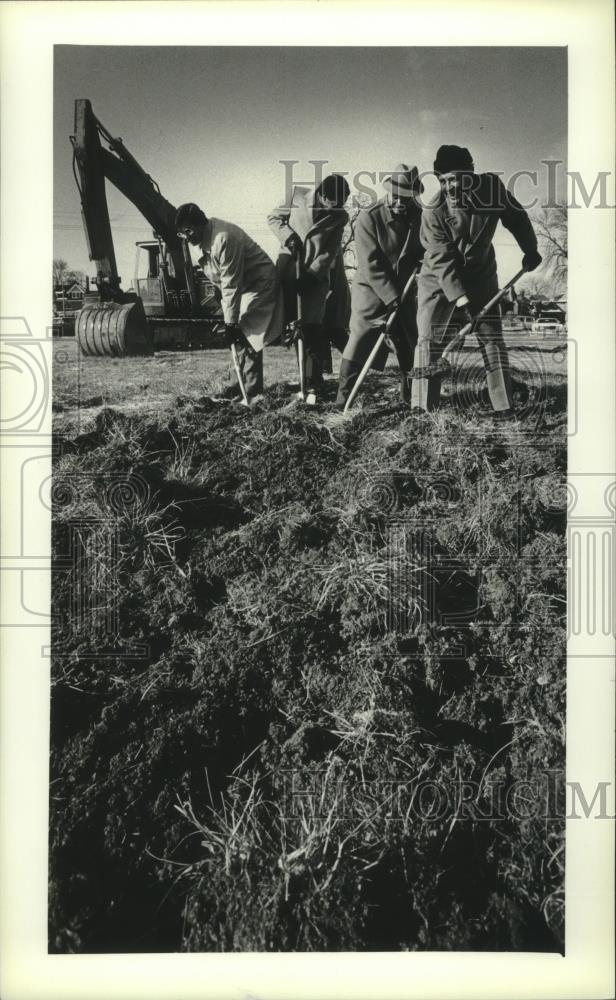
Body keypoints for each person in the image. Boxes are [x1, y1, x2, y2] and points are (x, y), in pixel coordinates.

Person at [413, 145, 542, 417]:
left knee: (491, 337)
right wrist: (461, 300)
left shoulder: (492, 189)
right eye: (443, 180)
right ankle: (423, 410)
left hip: (481, 275)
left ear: (470, 174)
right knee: (429, 340)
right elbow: (441, 260)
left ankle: (503, 406)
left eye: (453, 179)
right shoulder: (433, 211)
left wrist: (530, 249)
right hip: (439, 280)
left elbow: (516, 218)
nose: (448, 187)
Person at [335, 163, 424, 408]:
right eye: (396, 196)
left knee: (409, 342)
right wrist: (390, 296)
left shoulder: (420, 215)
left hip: (405, 290)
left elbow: (426, 247)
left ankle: (412, 398)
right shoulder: (369, 217)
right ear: (388, 191)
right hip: (371, 289)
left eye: (406, 198)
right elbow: (370, 262)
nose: (400, 202)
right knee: (360, 339)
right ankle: (343, 399)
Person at [175, 203, 283, 401]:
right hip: (237, 287)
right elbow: (217, 275)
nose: (186, 236)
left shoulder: (224, 237)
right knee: (236, 337)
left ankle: (251, 392)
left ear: (200, 224)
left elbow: (231, 282)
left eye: (188, 230)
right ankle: (235, 387)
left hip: (259, 283)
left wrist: (231, 322)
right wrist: (223, 305)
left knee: (248, 332)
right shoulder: (197, 241)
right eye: (182, 233)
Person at [267, 174, 351, 402]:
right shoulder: (296, 195)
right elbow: (274, 218)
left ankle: (313, 385)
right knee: (295, 326)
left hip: (316, 277)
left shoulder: (340, 216)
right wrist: (289, 237)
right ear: (321, 194)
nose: (331, 210)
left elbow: (330, 250)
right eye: (329, 203)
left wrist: (314, 275)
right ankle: (305, 380)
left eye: (337, 205)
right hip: (289, 269)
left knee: (312, 327)